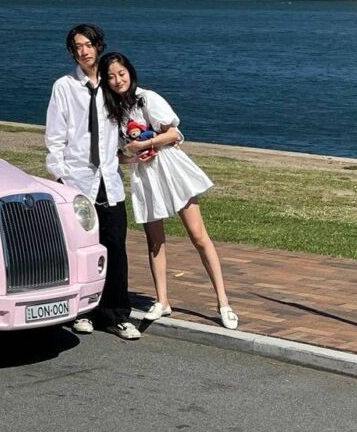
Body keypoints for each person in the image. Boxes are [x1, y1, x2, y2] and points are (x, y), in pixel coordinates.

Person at [98, 51, 239, 330]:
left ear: (130, 73)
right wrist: (133, 155)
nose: (117, 80)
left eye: (121, 74)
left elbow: (174, 134)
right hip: (145, 174)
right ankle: (162, 300)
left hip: (171, 169)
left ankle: (223, 302)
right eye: (111, 76)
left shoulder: (147, 98)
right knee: (154, 240)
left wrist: (143, 145)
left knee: (198, 235)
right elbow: (119, 155)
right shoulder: (112, 112)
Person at [44, 23, 139, 340]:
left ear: (98, 46)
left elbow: (132, 121)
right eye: (76, 47)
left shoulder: (113, 84)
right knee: (82, 249)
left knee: (115, 248)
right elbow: (55, 138)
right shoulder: (64, 87)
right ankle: (83, 312)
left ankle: (116, 315)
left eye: (87, 45)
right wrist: (62, 176)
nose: (83, 51)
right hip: (77, 181)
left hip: (108, 181)